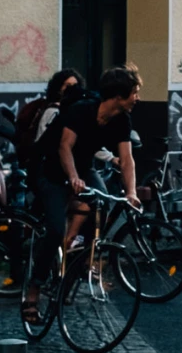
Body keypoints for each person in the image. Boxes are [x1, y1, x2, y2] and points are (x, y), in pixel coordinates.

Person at [34, 65, 142, 261]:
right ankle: (36, 284)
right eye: (134, 93)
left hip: (84, 167)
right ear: (118, 96)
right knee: (55, 230)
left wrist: (131, 192)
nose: (137, 98)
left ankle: (79, 252)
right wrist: (73, 176)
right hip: (52, 170)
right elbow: (64, 147)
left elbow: (127, 159)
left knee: (102, 203)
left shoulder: (122, 119)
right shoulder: (81, 110)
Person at [13, 68, 82, 187]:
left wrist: (111, 158)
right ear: (58, 88)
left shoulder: (77, 110)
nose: (72, 89)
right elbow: (43, 142)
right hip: (49, 170)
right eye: (67, 85)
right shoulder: (52, 111)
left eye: (75, 85)